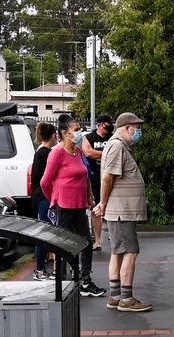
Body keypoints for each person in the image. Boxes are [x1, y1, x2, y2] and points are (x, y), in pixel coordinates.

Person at [93, 112, 153, 312]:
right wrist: (103, 202)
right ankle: (126, 298)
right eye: (137, 128)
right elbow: (107, 177)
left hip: (120, 210)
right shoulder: (117, 146)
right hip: (122, 211)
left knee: (118, 251)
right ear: (127, 128)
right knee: (130, 251)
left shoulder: (116, 146)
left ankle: (116, 296)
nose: (139, 132)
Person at [40, 115, 106, 297]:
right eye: (76, 130)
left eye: (79, 129)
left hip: (80, 204)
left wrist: (89, 196)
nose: (79, 133)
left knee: (85, 242)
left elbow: (84, 176)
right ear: (65, 133)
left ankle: (85, 281)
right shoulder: (57, 153)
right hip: (64, 205)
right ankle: (63, 280)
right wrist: (53, 200)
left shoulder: (77, 151)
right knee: (64, 244)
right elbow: (45, 182)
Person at [81, 113, 114, 251]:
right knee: (96, 209)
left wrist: (99, 153)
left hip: (111, 176)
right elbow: (88, 152)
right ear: (100, 124)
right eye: (107, 124)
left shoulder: (112, 137)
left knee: (112, 207)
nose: (110, 127)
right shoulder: (88, 137)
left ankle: (114, 236)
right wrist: (107, 153)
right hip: (94, 178)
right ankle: (98, 240)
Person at [31, 121, 59, 280]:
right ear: (53, 135)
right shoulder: (45, 153)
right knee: (45, 233)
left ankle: (41, 268)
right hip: (44, 196)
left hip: (40, 196)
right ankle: (39, 269)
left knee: (46, 231)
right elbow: (43, 179)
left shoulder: (40, 151)